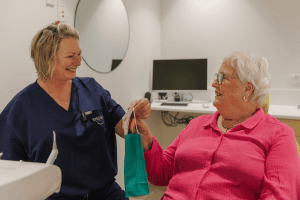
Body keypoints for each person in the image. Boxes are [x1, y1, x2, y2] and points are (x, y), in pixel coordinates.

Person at [0, 21, 151, 200]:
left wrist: (135, 115)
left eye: (80, 54)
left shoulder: (92, 90)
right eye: (70, 56)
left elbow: (122, 125)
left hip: (104, 192)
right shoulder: (21, 107)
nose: (78, 62)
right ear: (47, 58)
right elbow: (9, 169)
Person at [136, 51, 300, 199]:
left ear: (248, 89)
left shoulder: (279, 134)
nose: (214, 84)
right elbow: (161, 173)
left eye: (222, 77)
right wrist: (146, 142)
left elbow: (280, 196)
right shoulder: (196, 124)